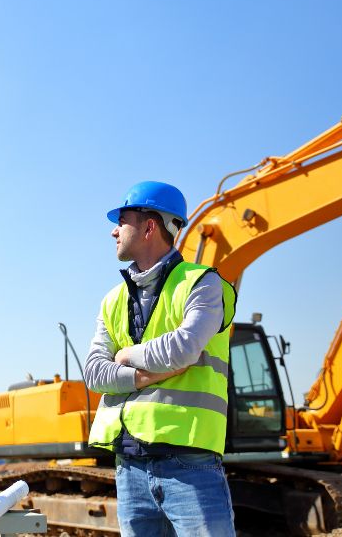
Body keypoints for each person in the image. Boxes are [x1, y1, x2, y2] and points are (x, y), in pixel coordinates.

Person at [84, 180, 237, 537]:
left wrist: (124, 356)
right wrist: (141, 377)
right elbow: (93, 373)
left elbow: (184, 347)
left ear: (150, 226)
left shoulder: (202, 284)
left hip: (190, 465)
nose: (113, 231)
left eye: (121, 220)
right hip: (130, 467)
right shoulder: (112, 300)